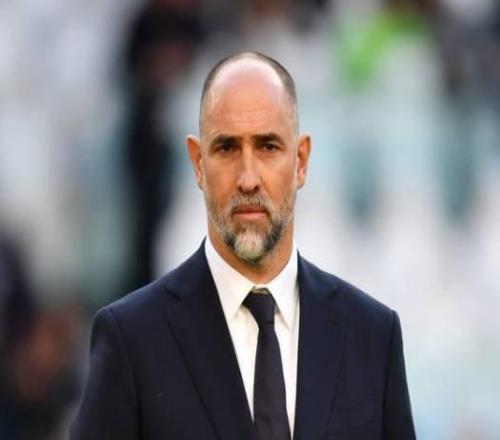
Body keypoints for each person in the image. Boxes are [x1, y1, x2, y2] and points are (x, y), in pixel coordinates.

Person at [70, 52, 416, 440]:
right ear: (197, 163)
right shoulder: (132, 340)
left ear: (301, 161)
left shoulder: (373, 337)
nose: (248, 178)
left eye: (268, 147)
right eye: (227, 148)